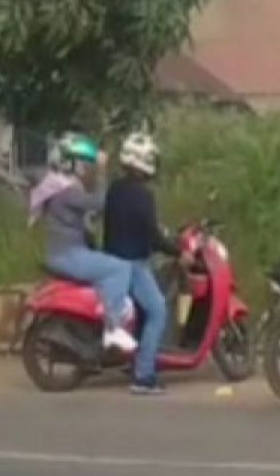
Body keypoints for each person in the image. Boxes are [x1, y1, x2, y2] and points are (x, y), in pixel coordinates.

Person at [30, 132, 137, 354]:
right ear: (72, 164)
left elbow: (84, 217)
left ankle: (101, 322)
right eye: (84, 164)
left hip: (64, 252)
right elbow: (99, 203)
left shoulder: (57, 187)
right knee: (120, 268)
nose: (86, 169)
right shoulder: (66, 190)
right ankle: (113, 327)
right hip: (69, 255)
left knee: (108, 265)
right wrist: (102, 171)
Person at [103, 131, 179, 396]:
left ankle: (135, 356)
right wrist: (177, 250)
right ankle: (144, 375)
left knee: (144, 309)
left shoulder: (115, 189)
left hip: (111, 260)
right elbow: (152, 235)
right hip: (132, 263)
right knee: (158, 310)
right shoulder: (143, 195)